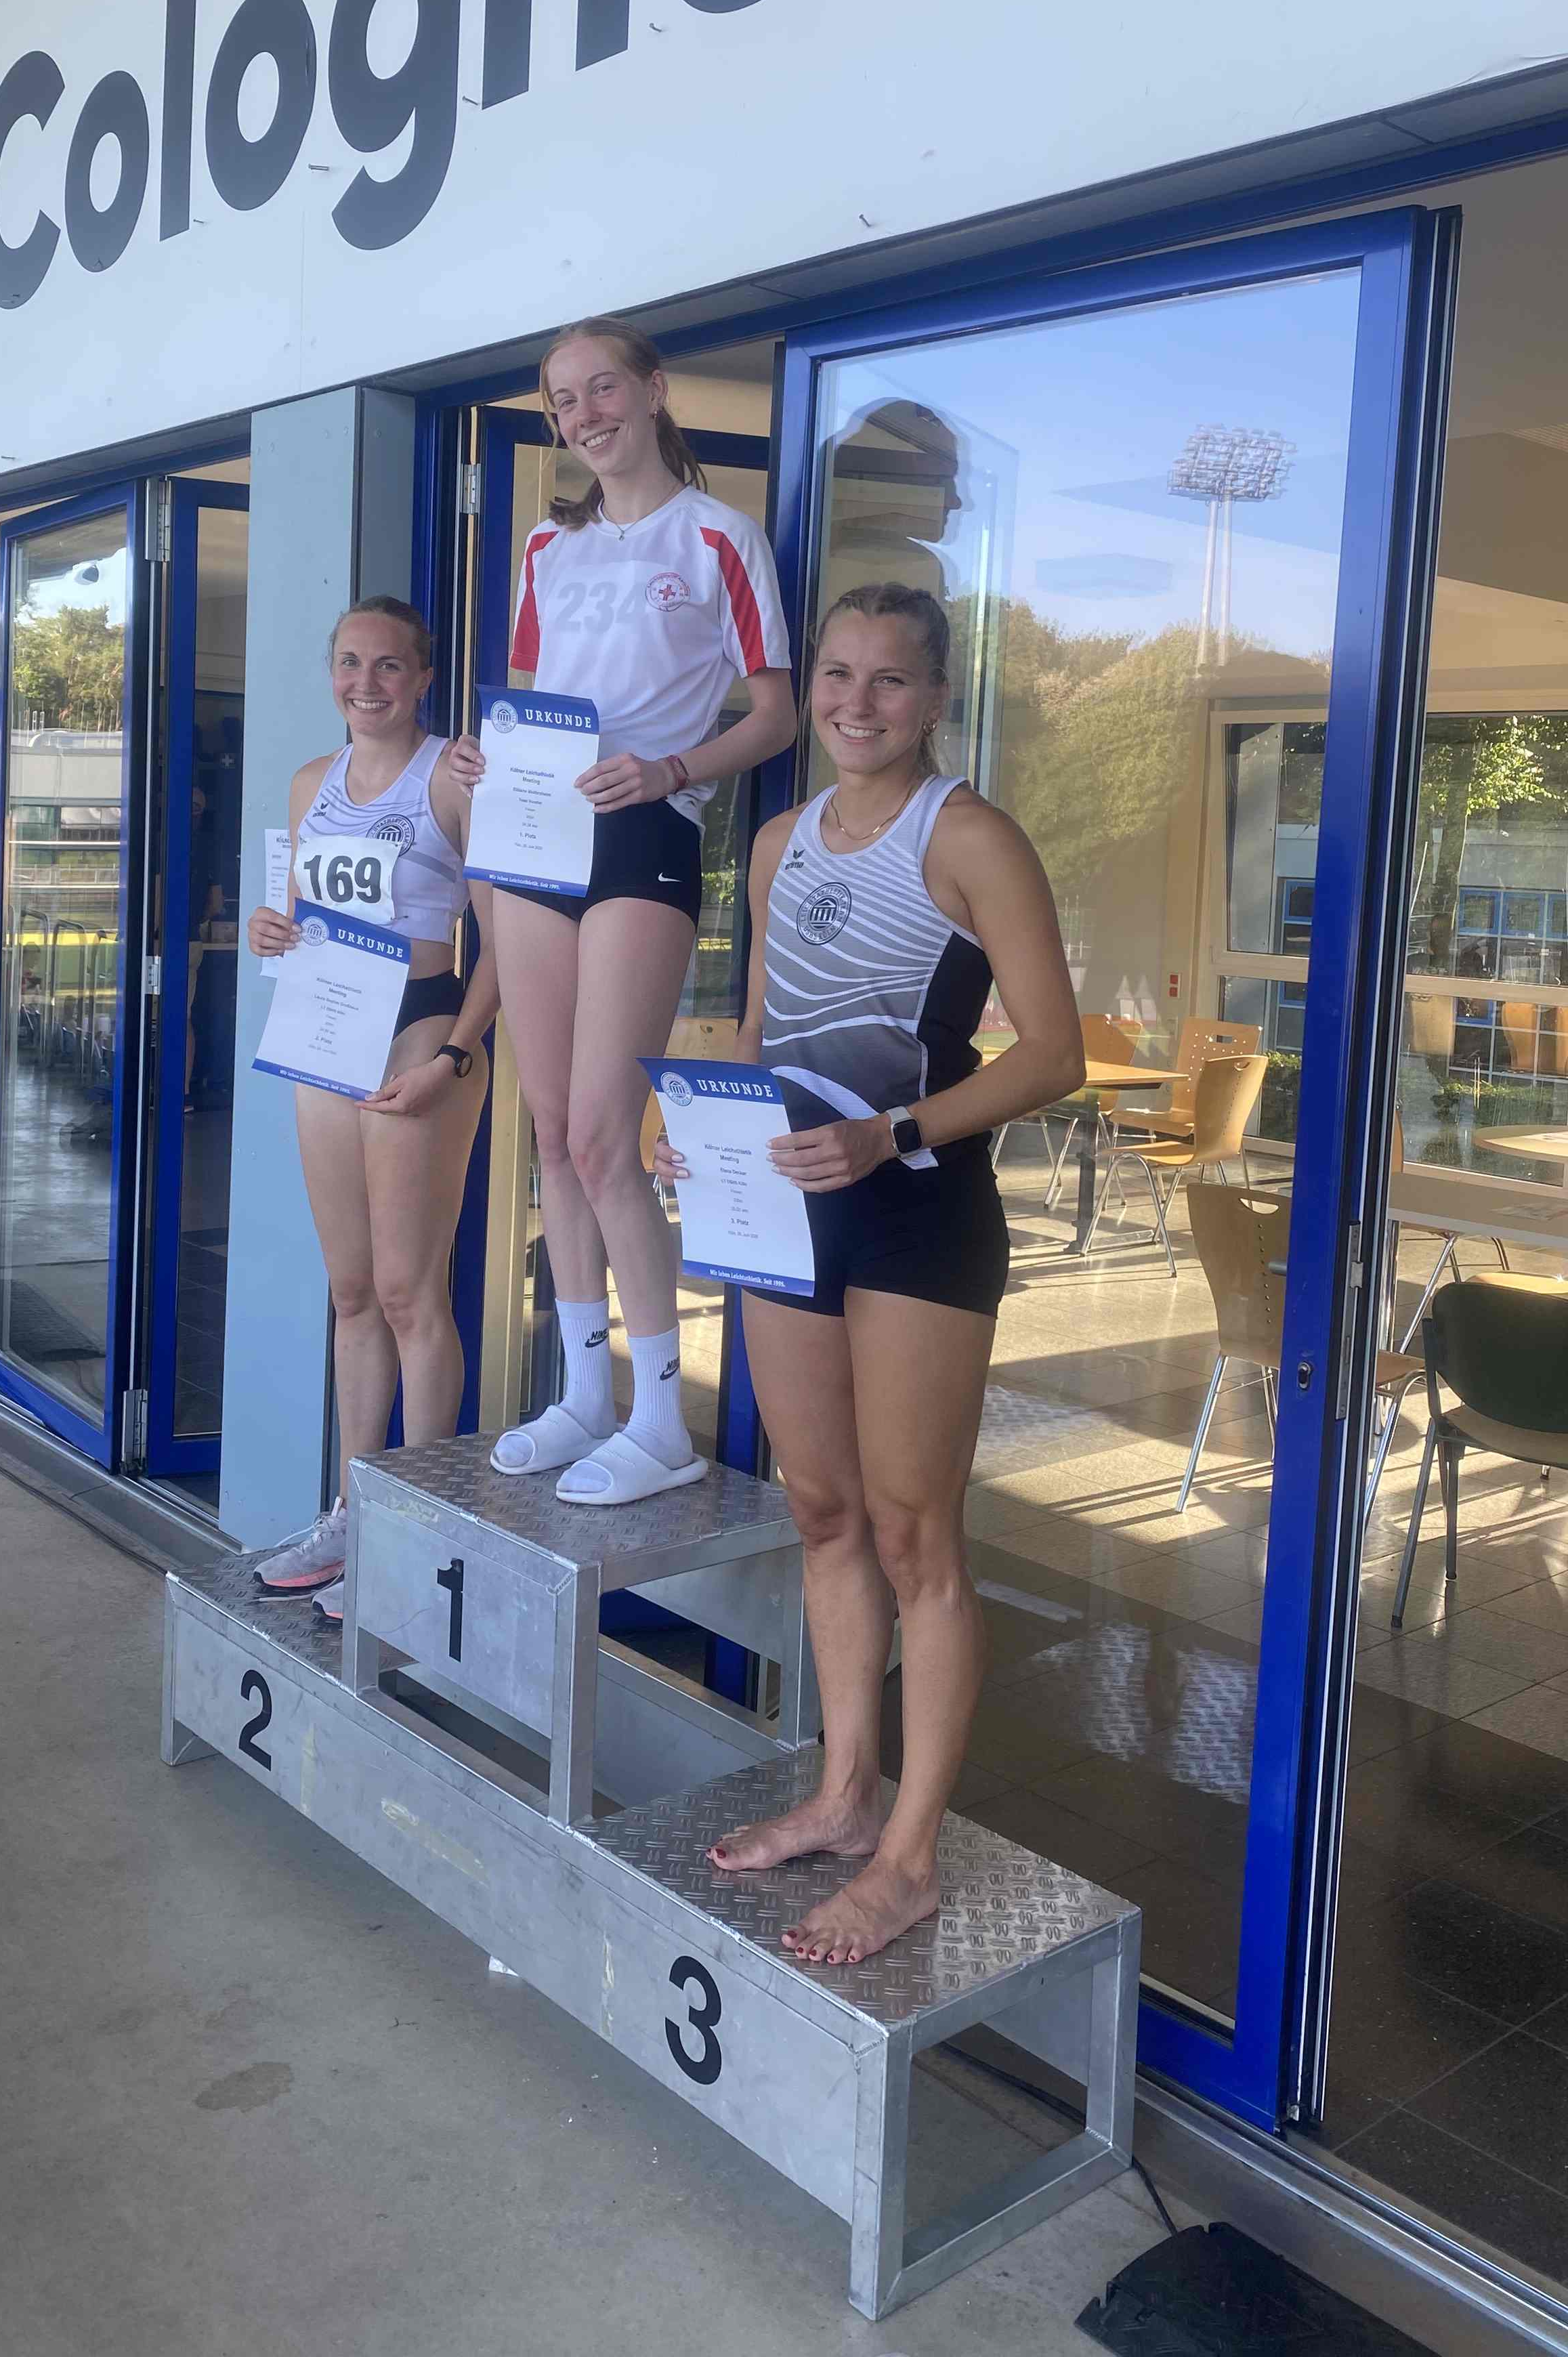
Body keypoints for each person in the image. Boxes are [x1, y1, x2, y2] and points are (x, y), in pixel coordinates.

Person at [656, 583, 1083, 1963]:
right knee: (824, 1510)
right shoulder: (777, 842)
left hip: (915, 1212)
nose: (855, 701)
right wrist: (707, 1134)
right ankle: (845, 1795)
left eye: (888, 679)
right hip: (791, 1212)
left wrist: (889, 1133)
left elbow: (1052, 1053)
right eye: (835, 674)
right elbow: (767, 1029)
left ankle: (909, 1858)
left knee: (915, 1537)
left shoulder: (969, 837)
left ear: (935, 698)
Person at [449, 318, 797, 1504]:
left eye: (603, 388)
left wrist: (669, 771)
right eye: (564, 400)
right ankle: (583, 1395)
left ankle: (661, 1418)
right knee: (551, 1132)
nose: (585, 414)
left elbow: (775, 715)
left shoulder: (719, 535)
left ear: (653, 391)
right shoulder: (546, 546)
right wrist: (484, 758)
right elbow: (534, 698)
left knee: (603, 1134)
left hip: (646, 833)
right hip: (534, 834)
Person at [246, 598, 499, 1618]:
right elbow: (298, 916)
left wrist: (455, 1053)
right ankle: (354, 1511)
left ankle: (417, 1535)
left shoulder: (454, 776)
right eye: (349, 663)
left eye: (389, 665)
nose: (366, 683)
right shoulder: (310, 782)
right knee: (351, 1291)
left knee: (409, 1293)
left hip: (419, 1024)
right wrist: (271, 930)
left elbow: (508, 943)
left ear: (423, 677)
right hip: (325, 1028)